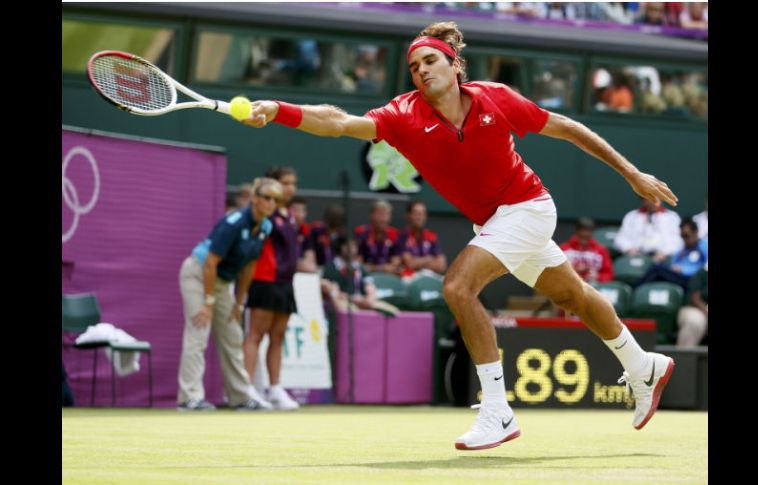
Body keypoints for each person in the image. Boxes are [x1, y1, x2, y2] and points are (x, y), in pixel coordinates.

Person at [242, 21, 678, 450]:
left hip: (529, 208)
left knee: (457, 286)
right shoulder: (402, 115)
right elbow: (338, 122)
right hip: (495, 222)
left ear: (454, 65)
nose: (421, 70)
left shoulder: (496, 98)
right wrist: (279, 110)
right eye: (414, 67)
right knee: (574, 296)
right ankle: (643, 365)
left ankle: (497, 410)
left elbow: (566, 127)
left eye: (430, 61)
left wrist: (631, 173)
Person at [177, 177, 281, 411]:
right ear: (254, 198)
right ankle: (189, 398)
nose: (271, 203)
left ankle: (240, 397)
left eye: (275, 199)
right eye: (266, 197)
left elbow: (249, 267)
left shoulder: (265, 227)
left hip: (223, 283)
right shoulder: (233, 222)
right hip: (198, 274)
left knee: (233, 335)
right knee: (198, 331)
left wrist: (239, 303)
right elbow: (210, 263)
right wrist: (207, 303)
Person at [244, 166, 301, 411]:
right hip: (265, 280)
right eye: (285, 183)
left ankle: (275, 389)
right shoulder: (264, 212)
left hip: (286, 283)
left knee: (278, 337)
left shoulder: (290, 215)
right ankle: (246, 390)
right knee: (255, 336)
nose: (290, 188)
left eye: (293, 183)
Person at [637, 219, 707, 291]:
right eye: (682, 236)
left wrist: (683, 270)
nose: (684, 239)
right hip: (678, 277)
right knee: (657, 269)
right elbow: (673, 265)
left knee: (657, 270)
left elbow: (705, 269)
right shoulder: (682, 250)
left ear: (695, 232)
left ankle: (636, 290)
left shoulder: (704, 245)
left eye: (686, 235)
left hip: (693, 280)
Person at [614, 197, 682, 263]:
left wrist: (665, 253)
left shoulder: (672, 217)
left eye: (656, 198)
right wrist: (629, 249)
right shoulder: (632, 216)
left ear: (662, 199)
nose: (652, 202)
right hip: (637, 257)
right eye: (649, 198)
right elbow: (620, 239)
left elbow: (677, 242)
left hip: (663, 259)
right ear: (642, 199)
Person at [396, 199, 447, 278]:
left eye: (422, 213)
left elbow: (441, 265)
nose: (419, 217)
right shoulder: (402, 236)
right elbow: (410, 263)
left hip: (430, 277)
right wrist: (429, 259)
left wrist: (418, 262)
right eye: (416, 213)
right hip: (409, 278)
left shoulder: (430, 235)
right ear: (408, 215)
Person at [559, 217, 614, 284]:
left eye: (587, 237)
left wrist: (598, 276)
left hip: (593, 285)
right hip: (569, 284)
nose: (584, 240)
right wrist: (574, 271)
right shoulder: (564, 249)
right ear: (577, 232)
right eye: (582, 236)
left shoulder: (601, 250)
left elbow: (609, 274)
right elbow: (557, 272)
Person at [354, 199, 401, 275]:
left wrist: (393, 266)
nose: (382, 219)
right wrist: (380, 268)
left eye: (386, 215)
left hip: (388, 275)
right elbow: (357, 264)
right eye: (379, 214)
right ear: (372, 215)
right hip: (367, 275)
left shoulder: (394, 233)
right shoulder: (361, 233)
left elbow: (396, 261)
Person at [676, 262, 708, 347]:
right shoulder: (702, 273)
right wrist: (706, 311)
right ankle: (684, 354)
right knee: (694, 321)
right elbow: (695, 298)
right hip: (695, 309)